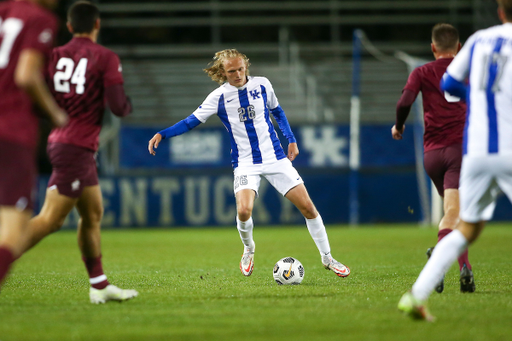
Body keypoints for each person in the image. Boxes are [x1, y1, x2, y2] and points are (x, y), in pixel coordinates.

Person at [148, 49, 350, 278]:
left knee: (308, 208)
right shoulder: (219, 97)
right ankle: (249, 249)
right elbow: (190, 121)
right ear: (223, 73)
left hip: (275, 157)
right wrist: (162, 134)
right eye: (231, 71)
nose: (237, 74)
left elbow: (278, 112)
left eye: (240, 69)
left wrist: (291, 139)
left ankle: (328, 258)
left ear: (246, 67)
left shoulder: (263, 85)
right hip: (245, 163)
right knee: (244, 211)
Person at [398, 0, 512, 321]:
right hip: (503, 150)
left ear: (500, 12)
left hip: (475, 153)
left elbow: (449, 83)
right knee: (456, 218)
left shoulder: (481, 41)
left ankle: (416, 296)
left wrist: (477, 95)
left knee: (465, 227)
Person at [20, 1, 138, 304]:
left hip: (64, 142)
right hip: (75, 148)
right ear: (97, 24)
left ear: (70, 27)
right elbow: (117, 106)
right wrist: (127, 104)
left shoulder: (53, 55)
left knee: (92, 213)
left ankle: (99, 284)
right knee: (50, 220)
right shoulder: (105, 57)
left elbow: (35, 98)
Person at [392, 23, 475, 294]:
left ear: (433, 47)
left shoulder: (422, 71)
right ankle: (439, 261)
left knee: (454, 213)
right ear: (459, 48)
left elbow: (404, 102)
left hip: (431, 155)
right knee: (455, 213)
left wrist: (399, 126)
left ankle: (466, 270)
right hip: (457, 151)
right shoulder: (469, 71)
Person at [0, 0, 68, 290]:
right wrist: (55, 113)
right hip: (10, 131)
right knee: (13, 232)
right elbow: (26, 75)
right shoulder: (38, 18)